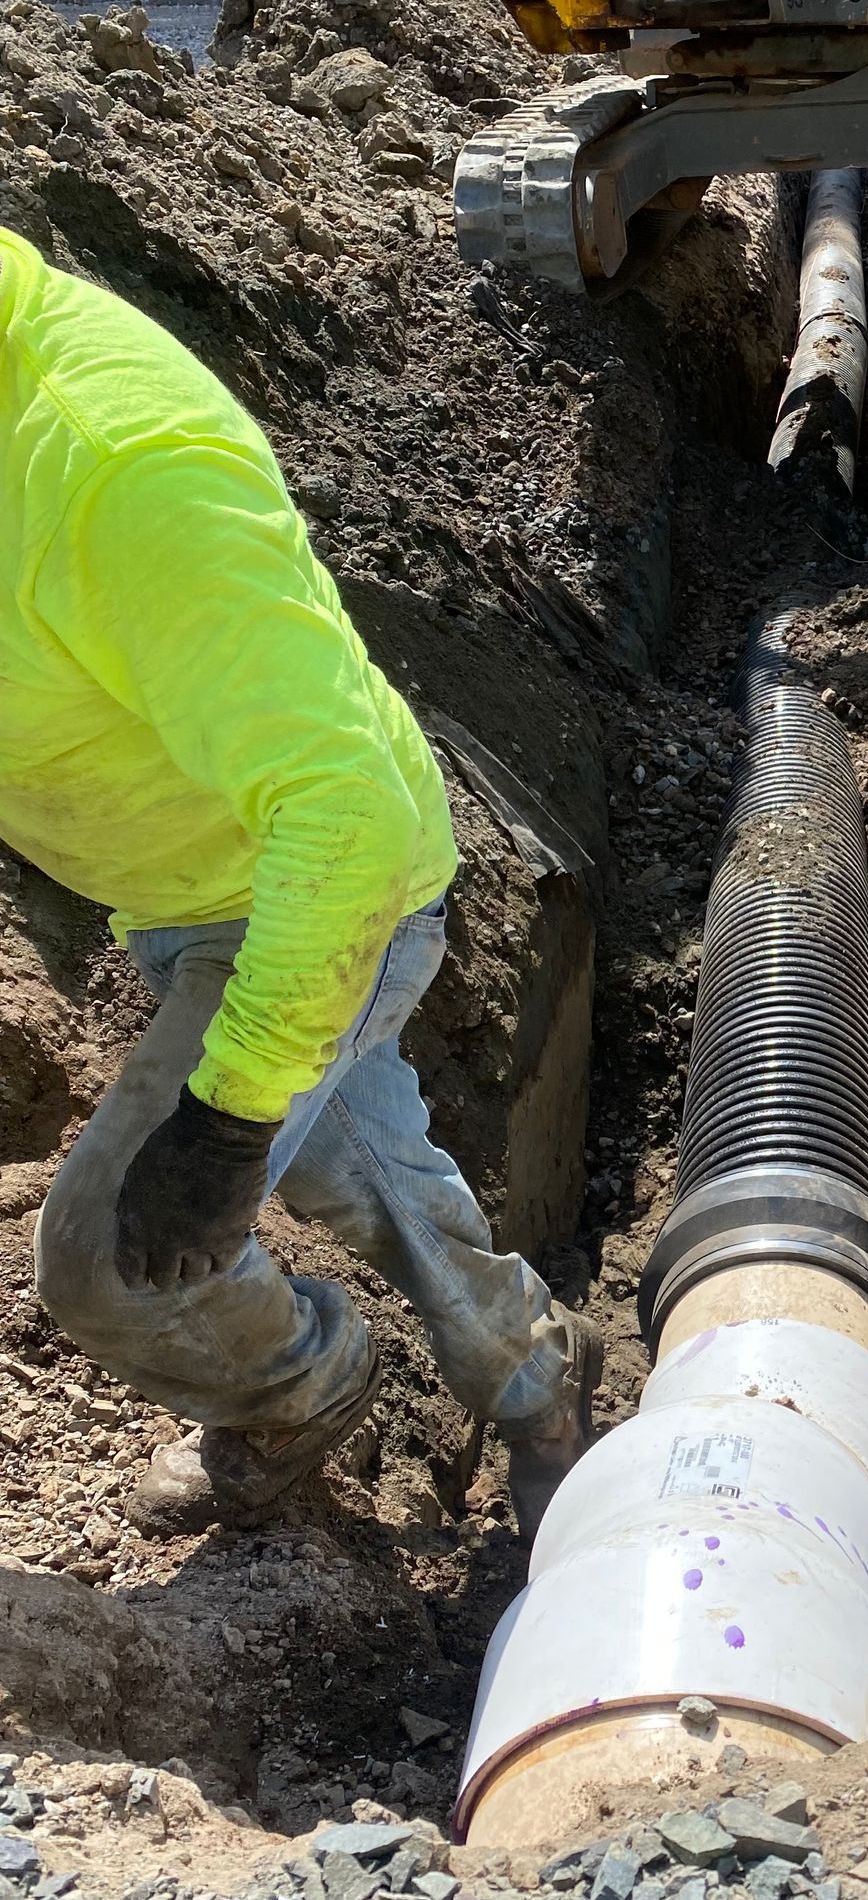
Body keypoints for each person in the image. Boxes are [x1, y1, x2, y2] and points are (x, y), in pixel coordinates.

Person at [0, 225, 601, 1541]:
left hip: (317, 893)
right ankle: (546, 1386)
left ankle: (304, 1387)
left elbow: (345, 816)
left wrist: (224, 1120)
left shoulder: (113, 467)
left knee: (105, 1262)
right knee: (366, 1174)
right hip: (182, 890)